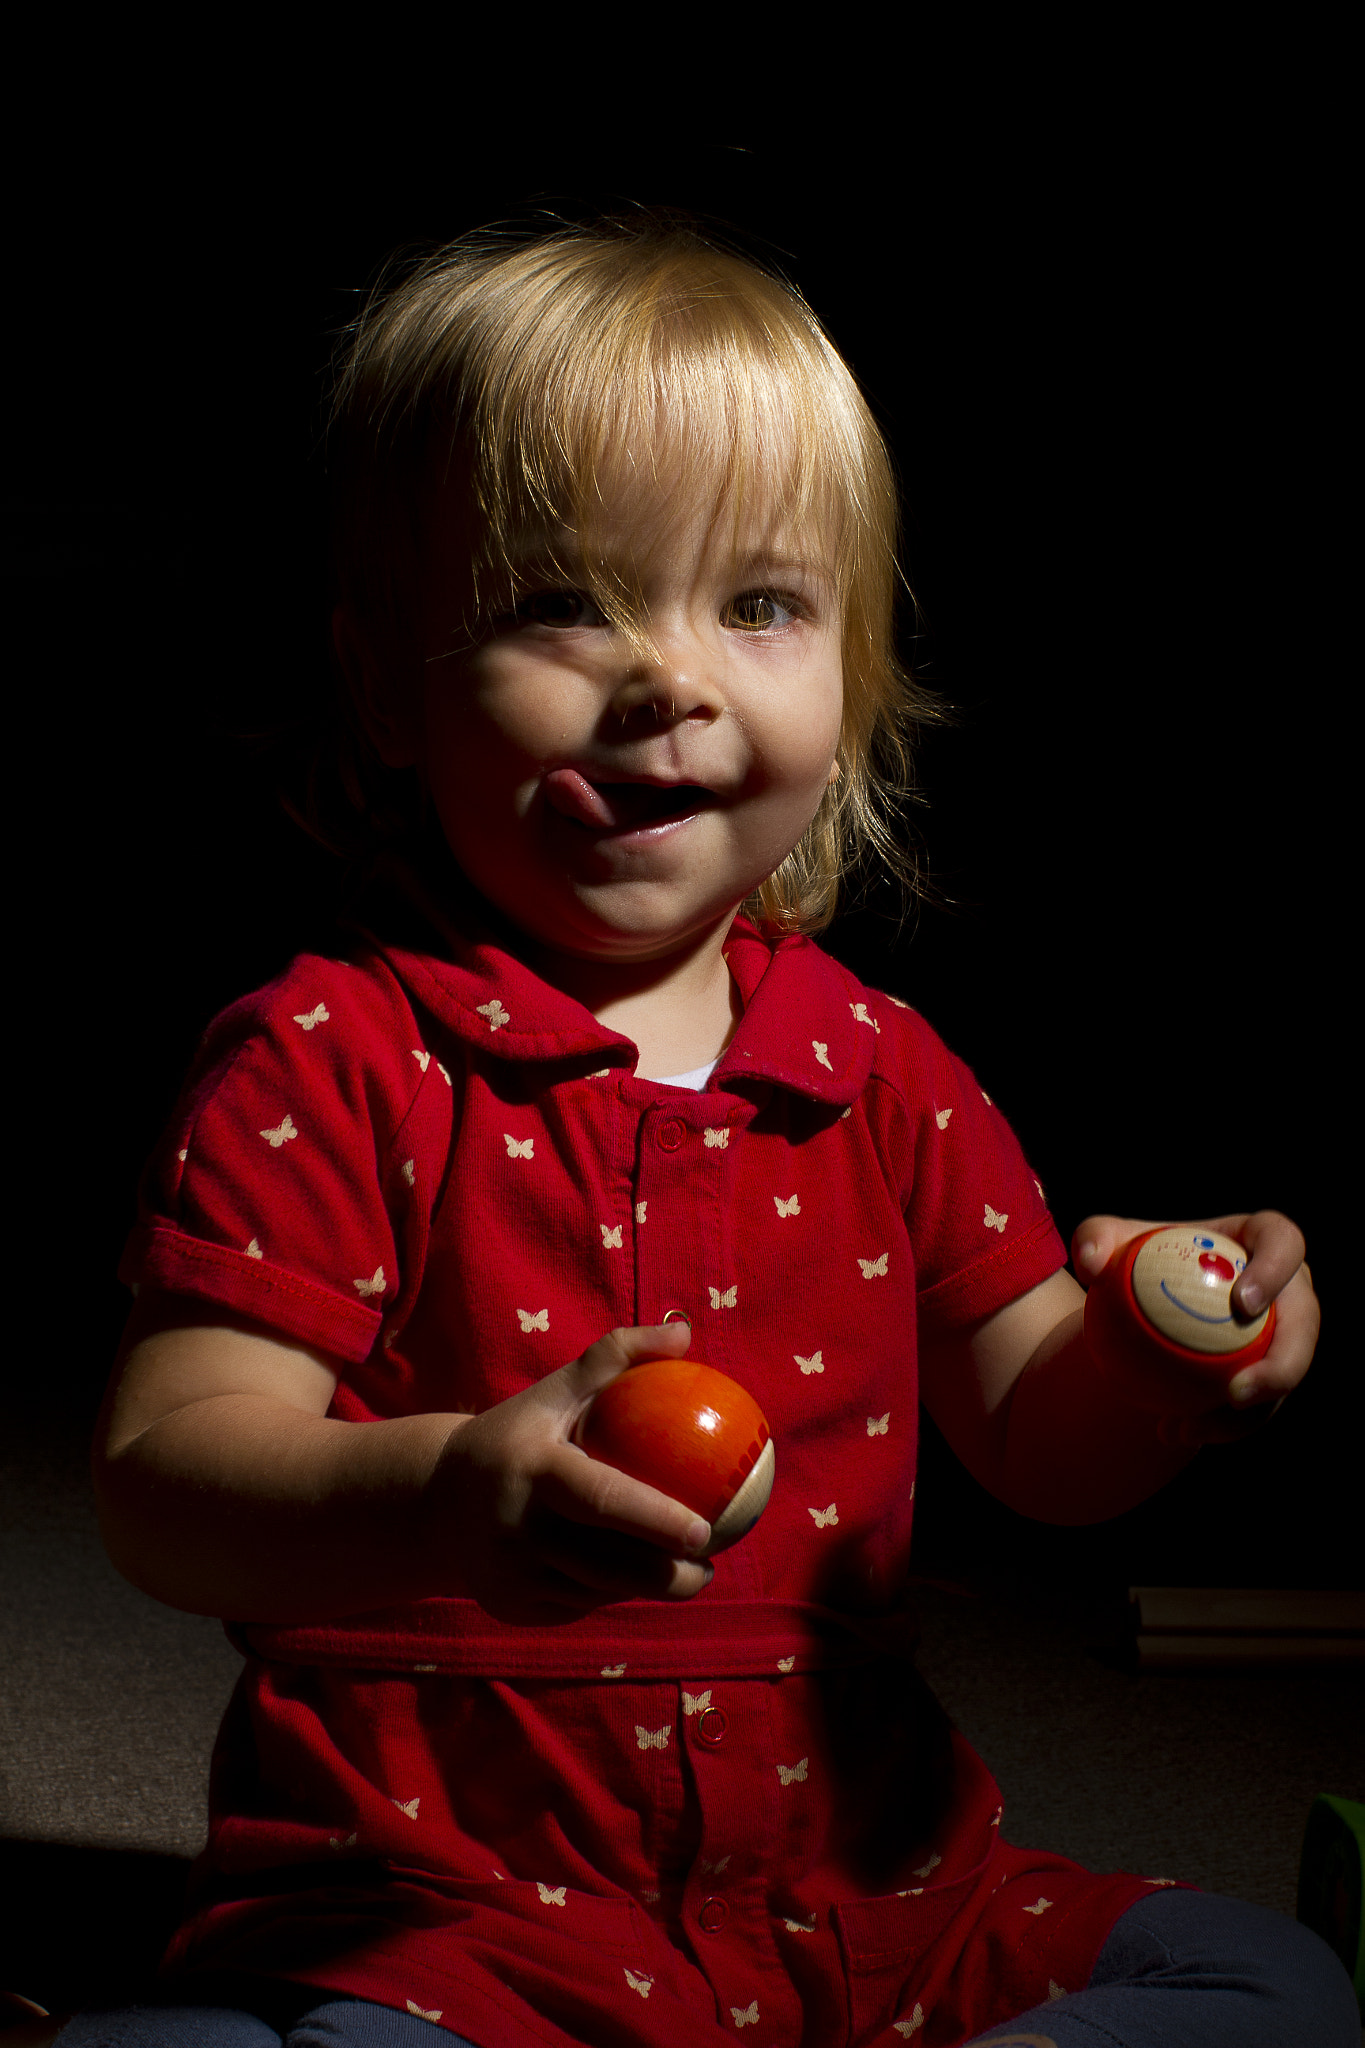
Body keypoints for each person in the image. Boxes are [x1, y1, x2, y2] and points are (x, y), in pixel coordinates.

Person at [64, 216, 1354, 2047]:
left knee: (1266, 1987)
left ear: (852, 677)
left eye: (757, 605)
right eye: (557, 599)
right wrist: (445, 1489)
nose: (670, 676)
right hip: (441, 1913)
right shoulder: (330, 1055)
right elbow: (163, 1477)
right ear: (381, 685)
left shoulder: (879, 1066)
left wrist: (1155, 1353)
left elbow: (1034, 1434)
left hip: (860, 1902)